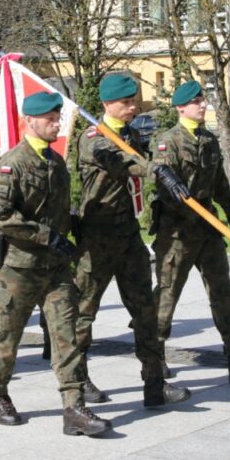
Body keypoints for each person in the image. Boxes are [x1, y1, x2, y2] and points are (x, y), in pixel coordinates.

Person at [0, 90, 110, 436]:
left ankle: (74, 409)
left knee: (66, 337)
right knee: (6, 341)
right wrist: (45, 236)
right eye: (51, 119)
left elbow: (59, 213)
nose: (57, 123)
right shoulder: (12, 164)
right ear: (30, 121)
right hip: (19, 269)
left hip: (55, 269)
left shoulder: (55, 163)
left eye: (58, 118)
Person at [74, 74, 190, 407]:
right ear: (107, 104)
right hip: (96, 239)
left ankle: (154, 383)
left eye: (134, 100)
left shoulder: (132, 134)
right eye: (125, 102)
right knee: (83, 313)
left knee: (146, 311)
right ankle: (78, 381)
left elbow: (139, 158)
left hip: (128, 236)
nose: (132, 106)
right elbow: (120, 161)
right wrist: (155, 171)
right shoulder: (93, 138)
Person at [149, 80, 230, 384]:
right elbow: (163, 185)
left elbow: (219, 182)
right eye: (196, 101)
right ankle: (154, 357)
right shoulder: (168, 142)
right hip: (177, 231)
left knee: (223, 292)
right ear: (181, 108)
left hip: (207, 228)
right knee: (166, 295)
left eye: (203, 100)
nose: (203, 105)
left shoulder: (209, 140)